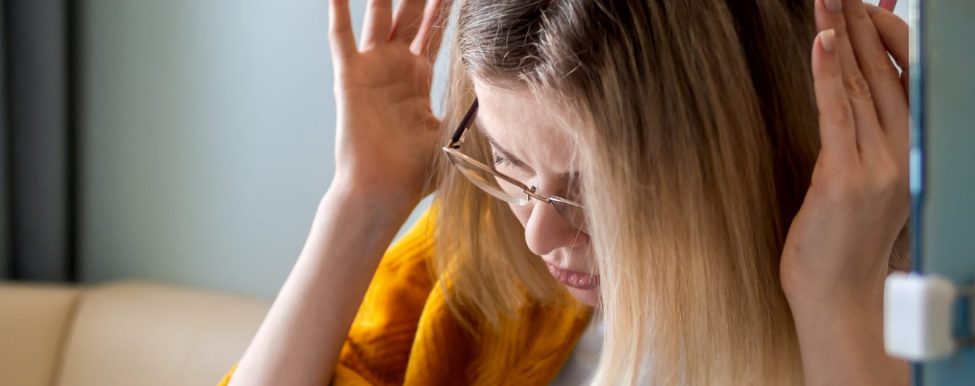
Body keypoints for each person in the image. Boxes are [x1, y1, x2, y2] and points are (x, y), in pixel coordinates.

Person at [221, 0, 912, 384]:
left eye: (594, 195)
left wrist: (839, 305)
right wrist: (359, 206)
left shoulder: (922, 319)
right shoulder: (484, 264)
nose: (537, 234)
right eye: (508, 158)